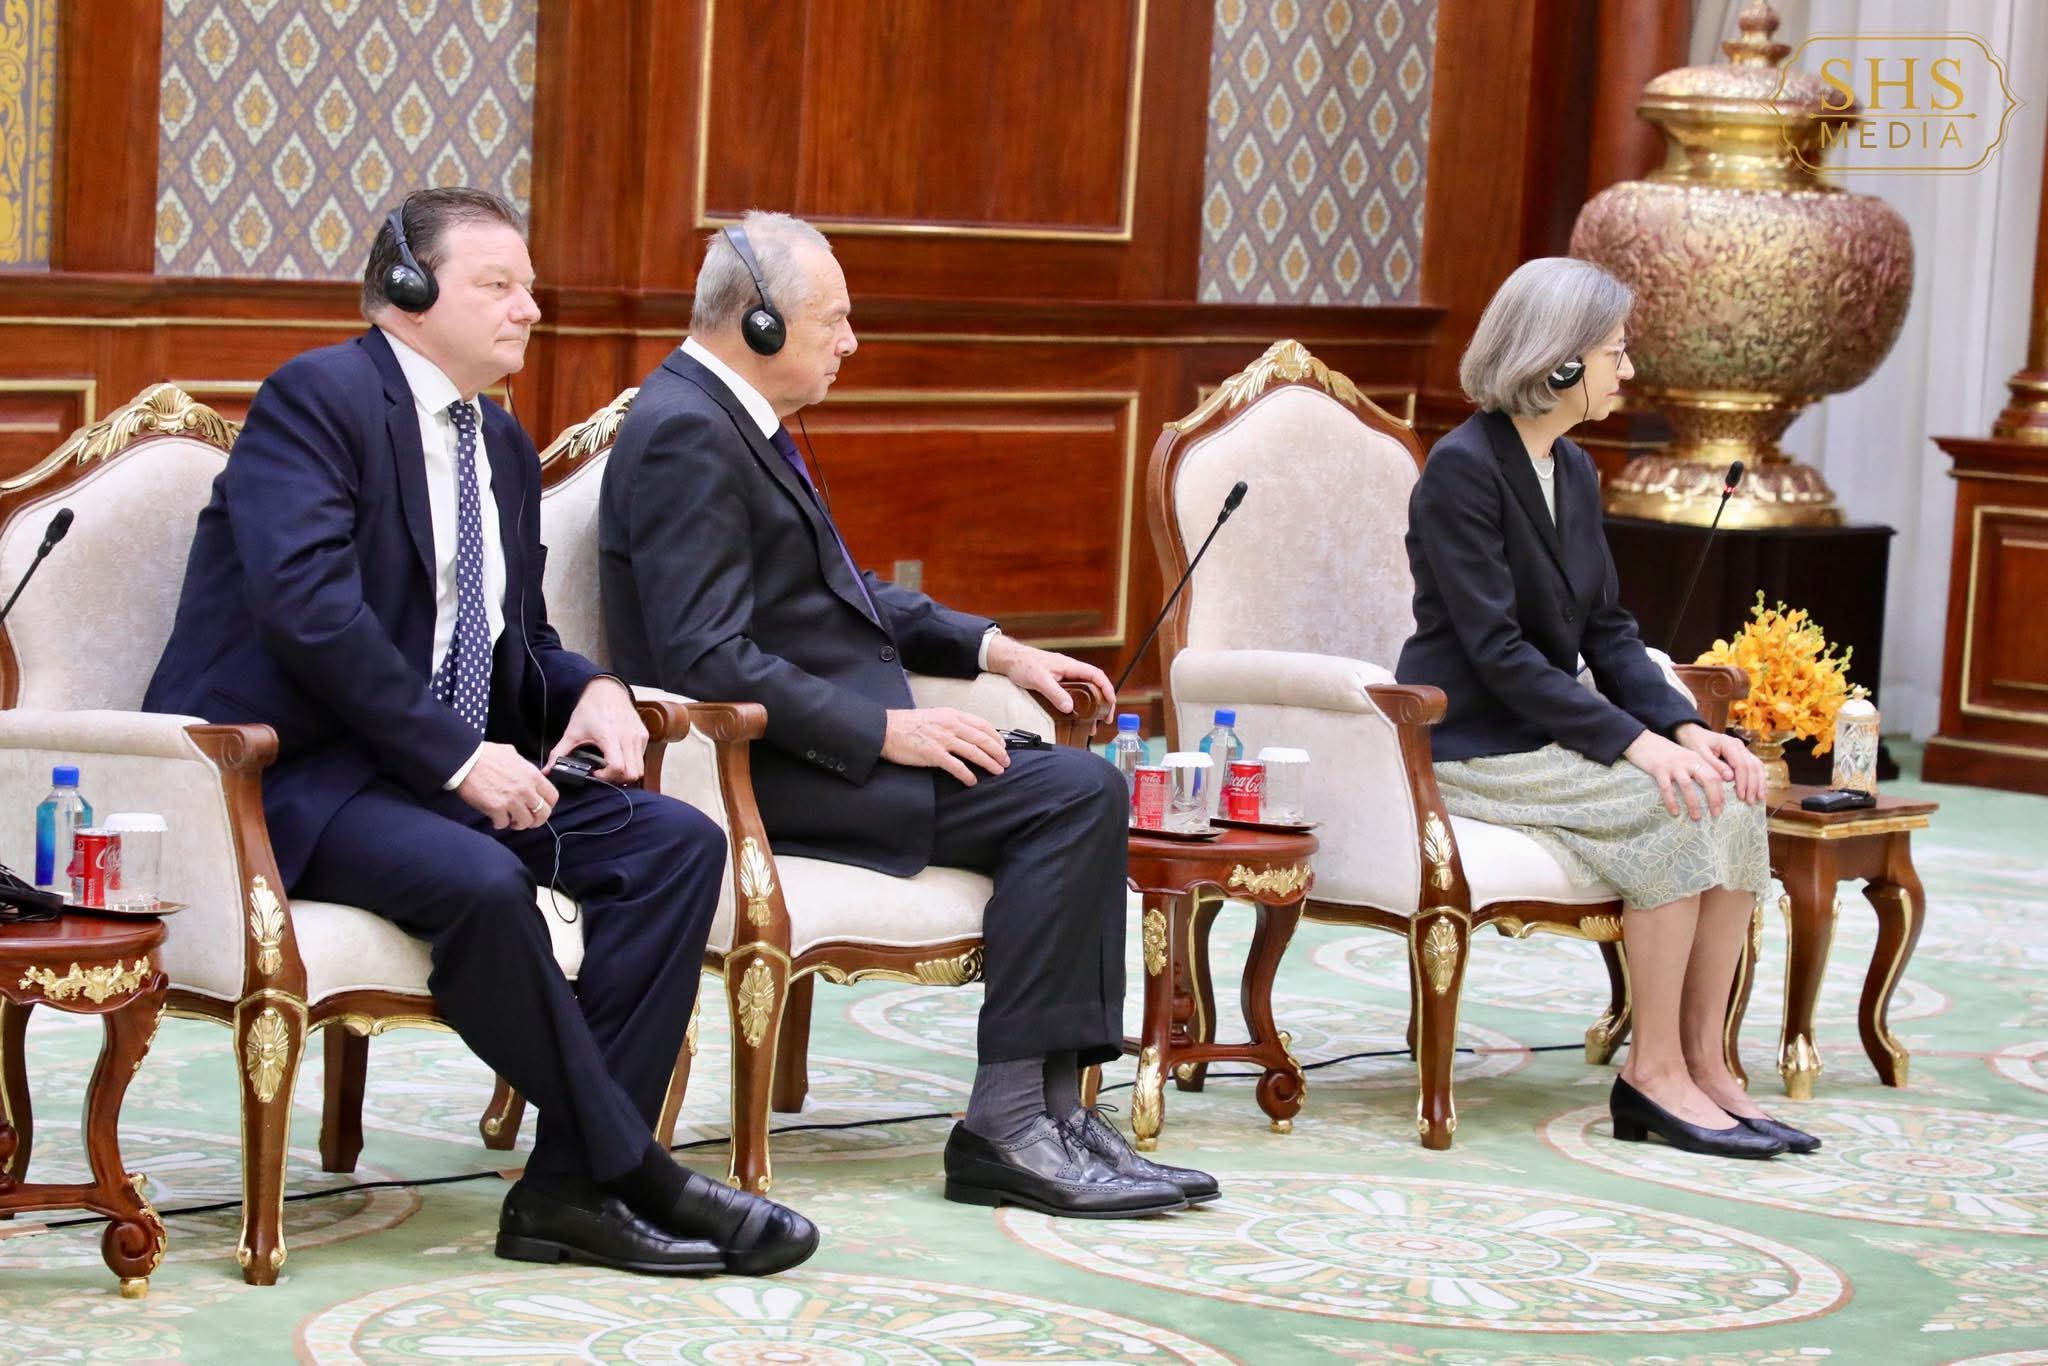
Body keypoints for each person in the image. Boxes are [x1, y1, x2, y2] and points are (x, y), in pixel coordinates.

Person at [144, 188, 818, 1275]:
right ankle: (639, 1170)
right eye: (498, 285)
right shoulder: (317, 399)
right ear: (408, 291)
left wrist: (593, 688)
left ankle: (564, 1193)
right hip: (296, 777)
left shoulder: (498, 442)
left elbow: (518, 638)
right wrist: (460, 759)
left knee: (675, 846)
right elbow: (312, 615)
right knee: (480, 882)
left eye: (529, 287)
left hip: (435, 773)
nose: (529, 309)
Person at [598, 211, 1218, 1216]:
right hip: (762, 770)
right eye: (834, 320)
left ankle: (1053, 1117)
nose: (851, 342)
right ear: (759, 324)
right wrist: (887, 731)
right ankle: (1012, 1126)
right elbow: (704, 657)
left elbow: (843, 593)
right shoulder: (686, 434)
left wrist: (995, 649)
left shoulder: (729, 419)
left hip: (822, 750)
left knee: (1075, 790)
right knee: (1072, 794)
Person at [1394, 256, 1810, 1160]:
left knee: (1734, 797)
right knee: (1675, 805)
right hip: (1473, 743)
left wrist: (1689, 728)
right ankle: (1651, 1076)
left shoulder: (1574, 469)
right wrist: (1637, 748)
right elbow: (1499, 653)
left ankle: (1706, 1065)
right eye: (1615, 352)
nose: (1629, 369)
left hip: (1549, 732)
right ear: (1558, 363)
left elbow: (1610, 631)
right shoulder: (1462, 471)